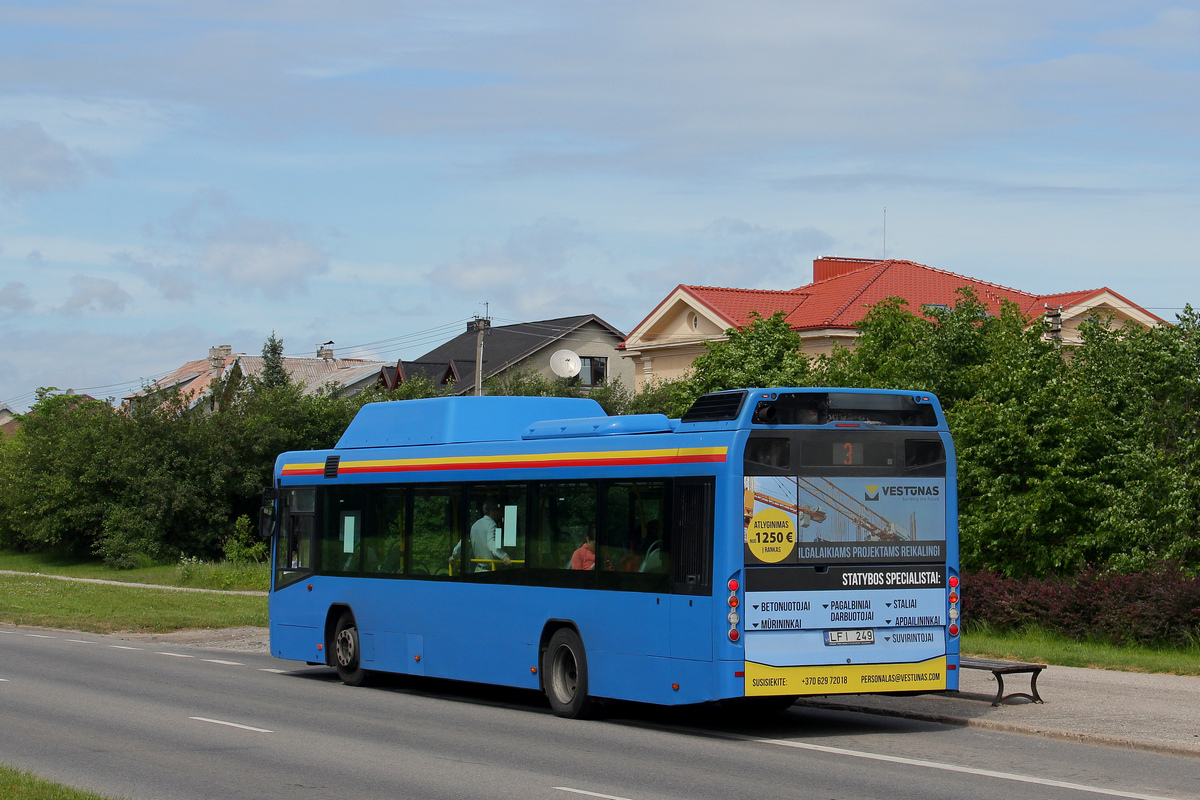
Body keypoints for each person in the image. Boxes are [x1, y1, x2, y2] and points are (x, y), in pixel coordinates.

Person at [452, 501, 512, 572]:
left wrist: (454, 556)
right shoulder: (491, 525)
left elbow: (463, 542)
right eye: (498, 510)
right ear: (491, 511)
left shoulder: (475, 525)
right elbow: (491, 543)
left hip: (478, 569)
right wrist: (504, 556)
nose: (500, 513)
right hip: (490, 570)